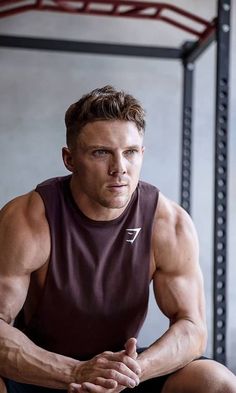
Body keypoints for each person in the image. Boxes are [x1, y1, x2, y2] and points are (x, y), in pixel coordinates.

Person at [0, 85, 235, 393]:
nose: (119, 169)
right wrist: (76, 372)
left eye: (130, 152)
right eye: (101, 153)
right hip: (42, 371)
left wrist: (132, 371)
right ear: (70, 159)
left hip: (122, 373)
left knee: (216, 382)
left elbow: (191, 327)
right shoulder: (28, 217)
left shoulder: (167, 222)